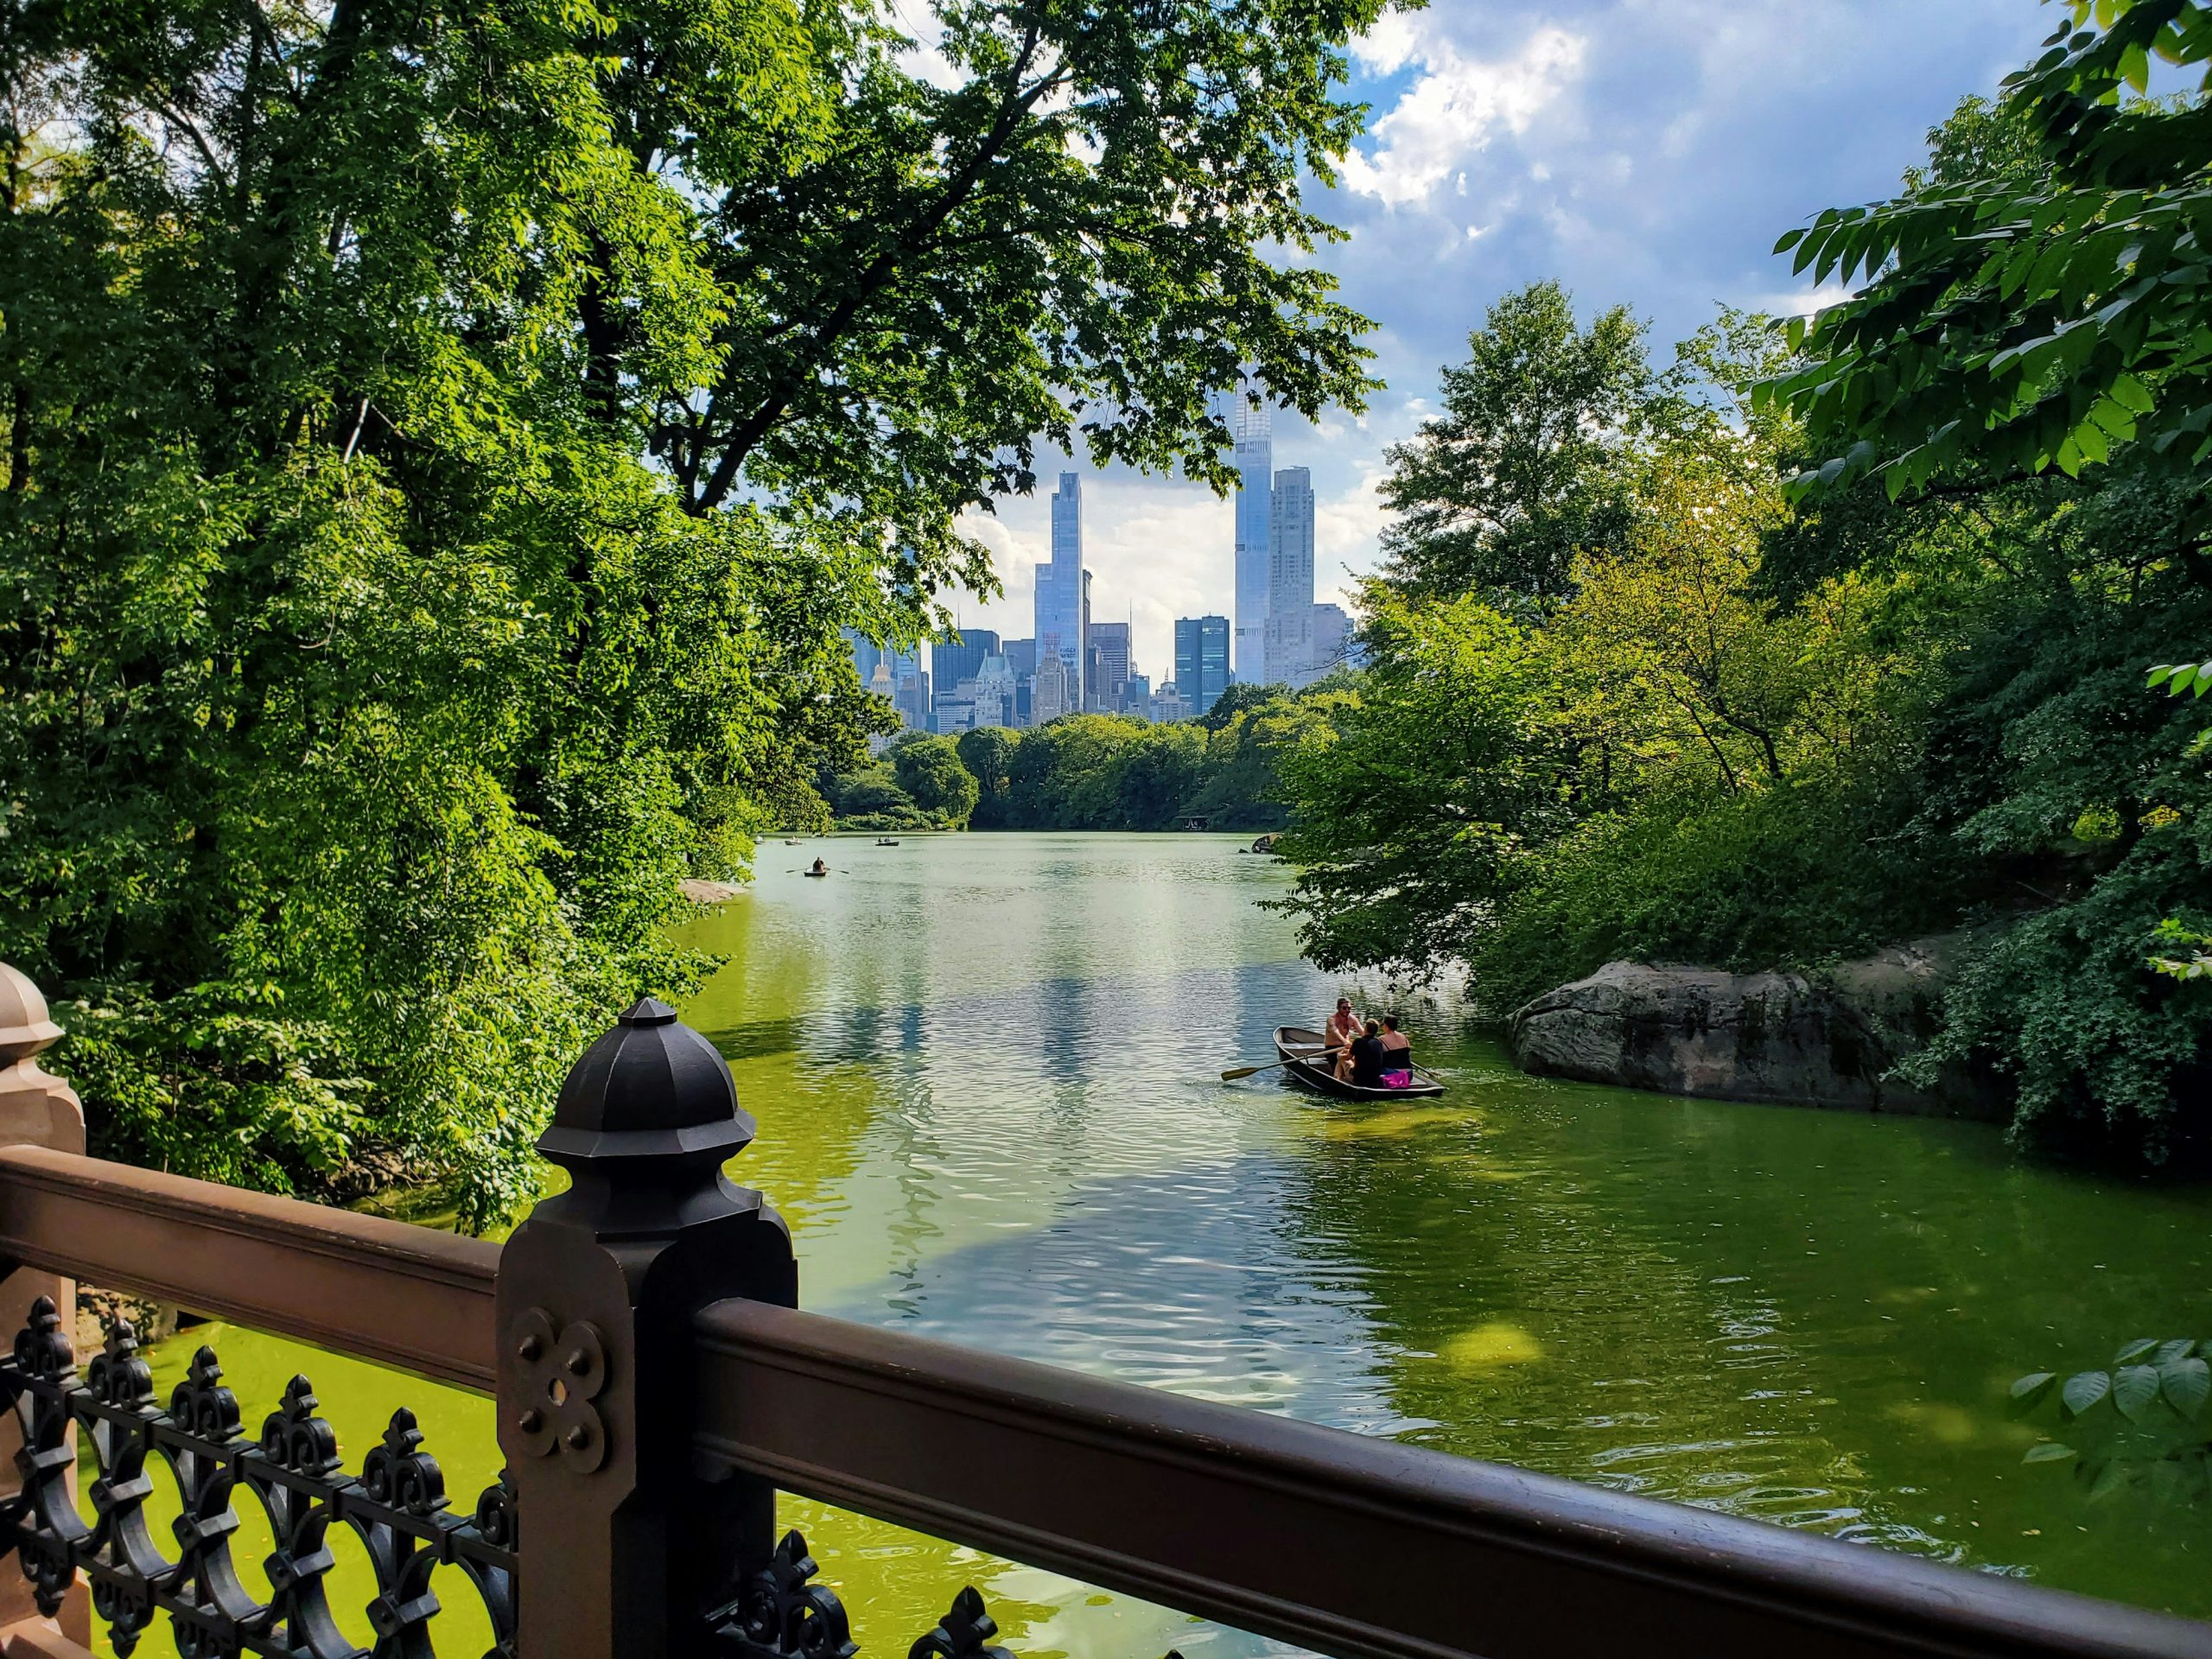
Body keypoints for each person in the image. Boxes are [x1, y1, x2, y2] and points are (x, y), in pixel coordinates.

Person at [1323, 998, 1362, 1070]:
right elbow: (1335, 1032)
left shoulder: (1352, 1019)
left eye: (1349, 1008)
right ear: (1338, 1008)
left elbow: (1363, 1033)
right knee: (1340, 1066)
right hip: (1332, 1049)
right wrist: (1345, 1042)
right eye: (1344, 1008)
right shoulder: (1331, 1019)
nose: (1347, 1010)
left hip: (1346, 1048)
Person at [1378, 1014, 1413, 1090]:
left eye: (1383, 1025)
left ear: (1386, 1026)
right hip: (1409, 1074)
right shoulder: (1404, 1037)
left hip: (1394, 1074)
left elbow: (1377, 1058)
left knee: (1377, 1068)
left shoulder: (1381, 1039)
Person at [1350, 1019, 1387, 1088]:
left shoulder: (1358, 1041)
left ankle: (1337, 1079)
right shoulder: (1378, 1043)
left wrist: (1339, 1056)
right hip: (1374, 1080)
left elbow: (1347, 1057)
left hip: (1360, 1080)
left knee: (1342, 1061)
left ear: (1365, 1029)